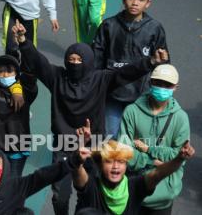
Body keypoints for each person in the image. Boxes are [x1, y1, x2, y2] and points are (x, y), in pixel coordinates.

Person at [12, 20, 169, 215]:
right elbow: (38, 62)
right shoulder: (57, 77)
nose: (75, 63)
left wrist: (150, 62)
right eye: (71, 59)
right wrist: (23, 41)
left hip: (95, 145)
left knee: (89, 194)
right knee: (59, 195)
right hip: (64, 144)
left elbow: (126, 73)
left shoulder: (101, 79)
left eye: (79, 59)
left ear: (88, 61)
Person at [93, 0, 169, 138]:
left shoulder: (155, 28)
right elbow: (97, 60)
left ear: (148, 3)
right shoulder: (108, 25)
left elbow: (163, 64)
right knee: (111, 137)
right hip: (112, 93)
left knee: (138, 139)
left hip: (141, 96)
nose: (135, 3)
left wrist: (164, 88)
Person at [118, 64, 189, 214]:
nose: (162, 87)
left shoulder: (180, 118)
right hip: (133, 192)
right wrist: (155, 161)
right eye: (158, 83)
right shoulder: (132, 112)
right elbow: (124, 152)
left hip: (162, 199)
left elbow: (179, 157)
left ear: (176, 87)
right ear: (150, 82)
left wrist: (146, 150)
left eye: (167, 84)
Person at [72, 140, 195, 214]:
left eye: (121, 162)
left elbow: (158, 173)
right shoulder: (93, 186)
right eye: (109, 161)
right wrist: (77, 159)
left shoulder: (134, 187)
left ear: (126, 165)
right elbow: (79, 175)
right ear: (99, 165)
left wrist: (179, 159)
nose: (115, 166)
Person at [0, 22, 38, 177]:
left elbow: (31, 72)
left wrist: (22, 40)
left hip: (20, 147)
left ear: (17, 74)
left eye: (9, 71)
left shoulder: (24, 91)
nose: (5, 74)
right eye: (1, 71)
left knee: (13, 185)